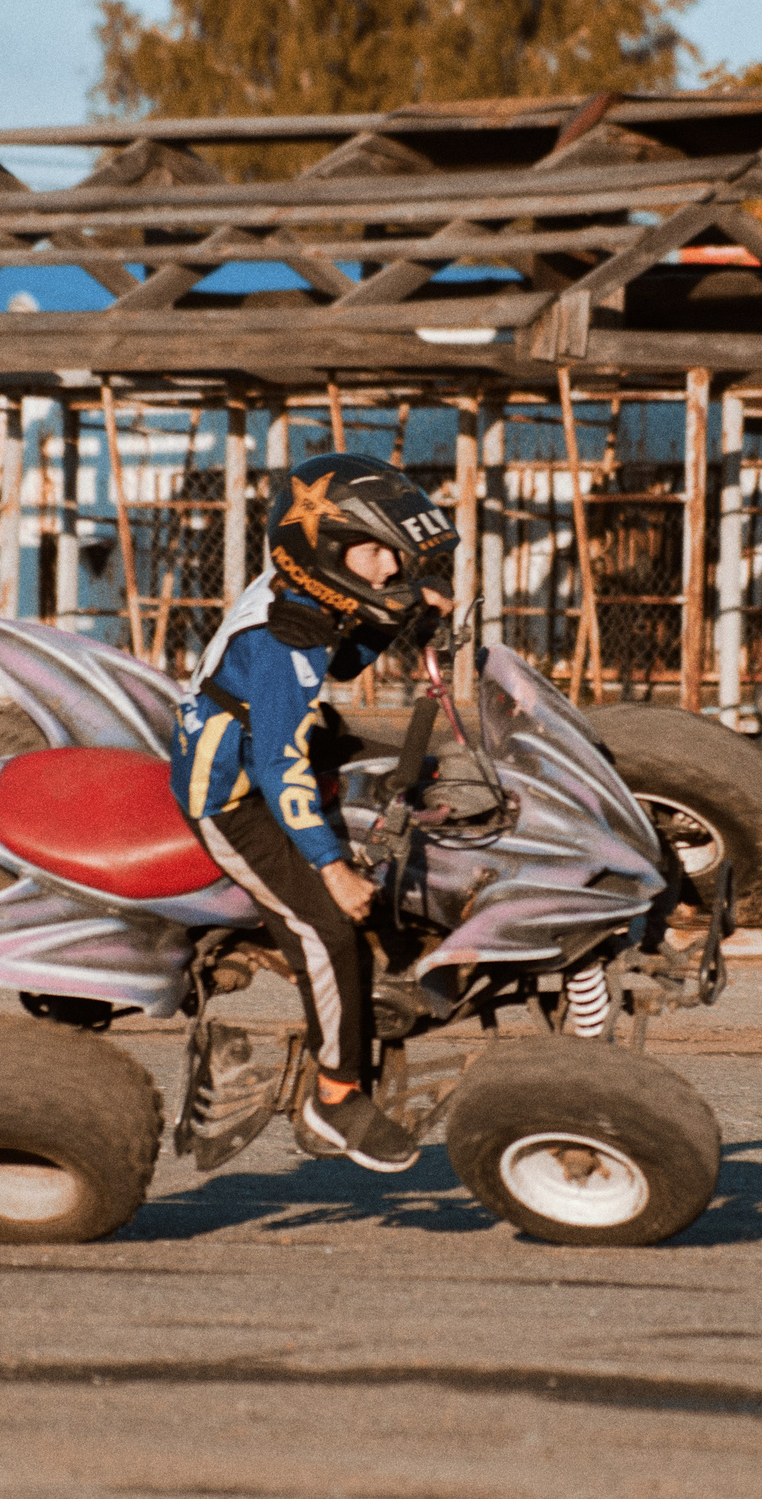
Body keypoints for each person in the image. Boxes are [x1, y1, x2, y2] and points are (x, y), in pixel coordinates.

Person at [171, 453, 458, 1171]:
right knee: (328, 929)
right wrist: (330, 870)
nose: (391, 568)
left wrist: (410, 612)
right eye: (377, 553)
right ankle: (334, 1098)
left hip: (269, 756)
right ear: (326, 553)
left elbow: (342, 666)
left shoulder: (308, 596)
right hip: (230, 799)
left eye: (396, 554)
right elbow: (277, 766)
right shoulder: (281, 639)